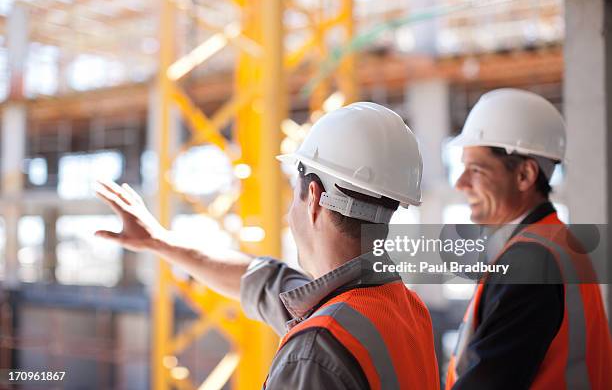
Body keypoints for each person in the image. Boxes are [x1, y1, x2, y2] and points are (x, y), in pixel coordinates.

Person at [95, 102, 440, 389]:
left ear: (314, 199)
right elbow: (263, 280)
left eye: (294, 195)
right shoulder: (403, 308)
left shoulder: (316, 349)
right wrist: (161, 242)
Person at [445, 88, 612, 389]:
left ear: (524, 175)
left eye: (476, 169)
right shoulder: (559, 242)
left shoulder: (530, 262)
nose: (460, 183)